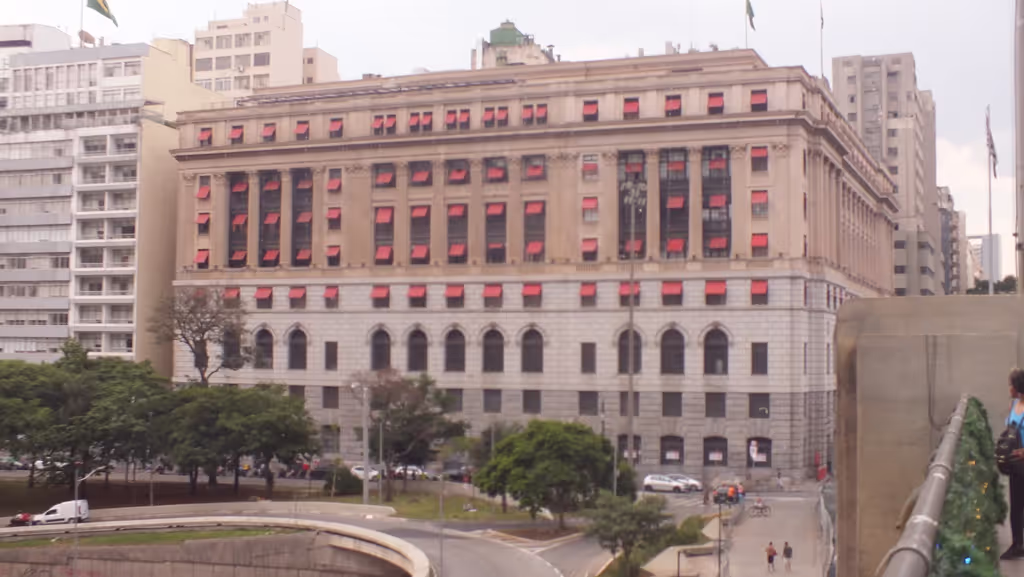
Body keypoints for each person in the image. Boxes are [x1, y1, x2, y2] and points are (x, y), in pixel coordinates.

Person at [1003, 368, 1024, 560]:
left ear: (1017, 387)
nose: (1008, 387)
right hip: (1016, 464)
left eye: (1010, 384)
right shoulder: (1014, 404)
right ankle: (1018, 543)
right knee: (1016, 505)